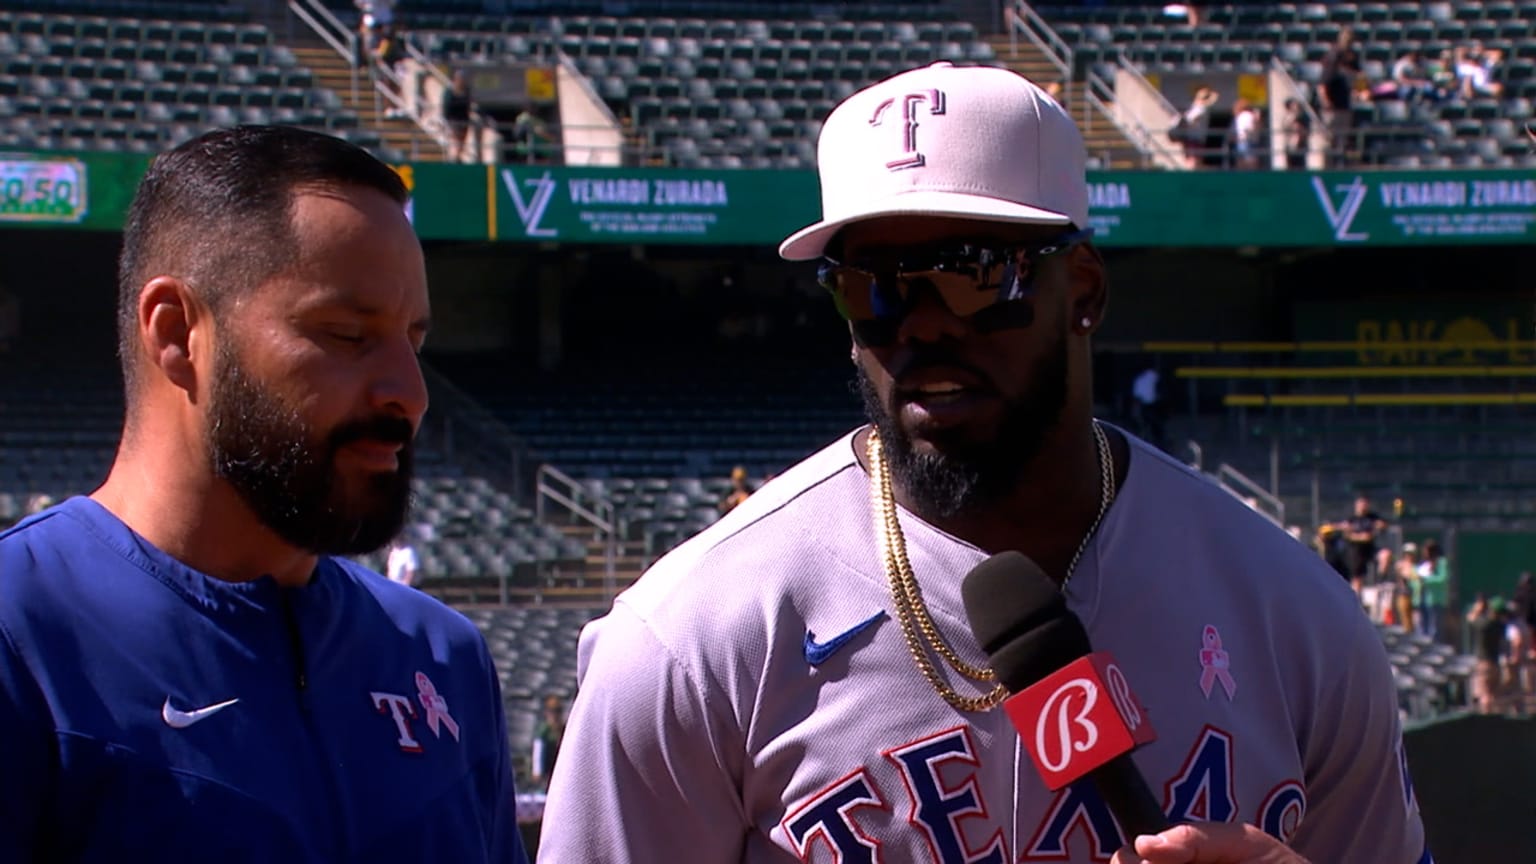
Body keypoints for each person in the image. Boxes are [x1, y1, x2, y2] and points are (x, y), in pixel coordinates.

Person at [537, 63, 1428, 863]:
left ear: (1081, 292)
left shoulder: (1294, 616)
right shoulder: (692, 635)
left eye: (972, 271)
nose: (922, 323)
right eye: (871, 282)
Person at [0, 126, 527, 862]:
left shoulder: (443, 657)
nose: (409, 393)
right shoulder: (20, 637)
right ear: (178, 331)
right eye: (347, 334)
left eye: (415, 338)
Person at [530, 693, 565, 791]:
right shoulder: (543, 732)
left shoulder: (565, 730)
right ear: (547, 713)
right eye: (552, 711)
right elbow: (538, 752)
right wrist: (537, 771)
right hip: (546, 774)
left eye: (557, 711)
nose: (555, 715)